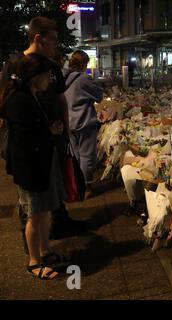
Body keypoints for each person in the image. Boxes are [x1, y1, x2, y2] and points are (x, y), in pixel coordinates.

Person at [0, 17, 86, 249]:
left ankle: (59, 222)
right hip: (27, 139)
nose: (56, 45)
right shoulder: (15, 66)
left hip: (54, 136)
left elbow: (61, 100)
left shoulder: (52, 66)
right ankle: (32, 243)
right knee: (30, 191)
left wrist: (65, 132)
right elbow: (7, 103)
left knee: (53, 180)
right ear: (39, 38)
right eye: (53, 40)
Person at [0, 54, 67, 279]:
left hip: (40, 162)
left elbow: (32, 129)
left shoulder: (32, 95)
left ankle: (45, 251)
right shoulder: (19, 100)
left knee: (44, 211)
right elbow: (24, 137)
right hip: (30, 167)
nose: (50, 78)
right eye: (47, 74)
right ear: (35, 76)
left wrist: (49, 130)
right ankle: (34, 261)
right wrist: (49, 131)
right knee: (34, 214)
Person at [63, 51, 103, 199]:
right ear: (83, 63)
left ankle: (76, 185)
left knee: (76, 155)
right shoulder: (83, 79)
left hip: (69, 121)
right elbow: (99, 95)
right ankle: (87, 186)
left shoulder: (64, 77)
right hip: (84, 122)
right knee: (87, 156)